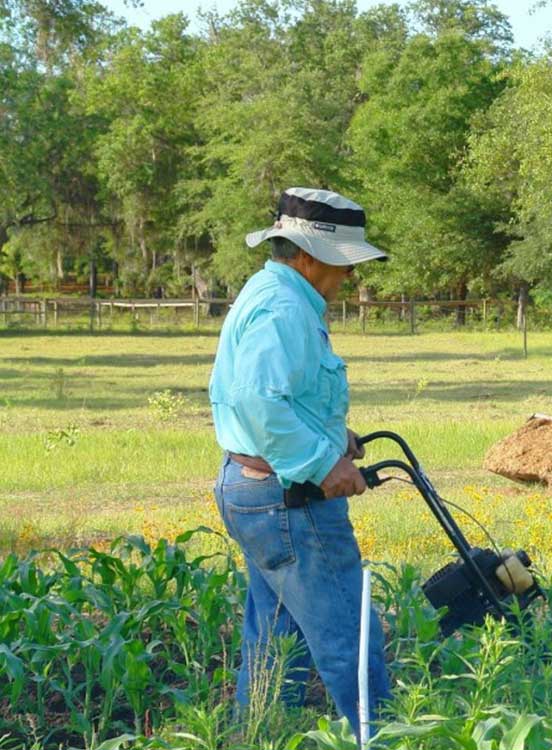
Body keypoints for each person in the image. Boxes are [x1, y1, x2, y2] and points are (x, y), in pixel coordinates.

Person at [208, 187, 390, 735]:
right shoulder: (286, 306)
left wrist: (334, 436)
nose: (350, 276)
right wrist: (322, 462)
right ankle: (379, 737)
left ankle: (259, 737)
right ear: (309, 255)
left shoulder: (271, 292)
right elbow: (258, 399)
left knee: (274, 642)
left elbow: (282, 394)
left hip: (255, 490)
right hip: (288, 499)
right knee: (348, 638)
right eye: (345, 264)